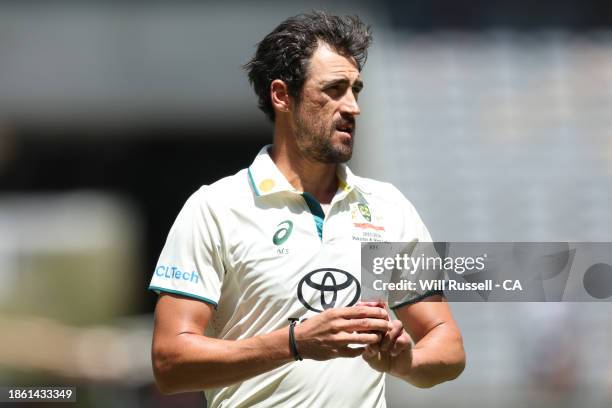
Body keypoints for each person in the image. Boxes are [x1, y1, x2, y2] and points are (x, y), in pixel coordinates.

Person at [149, 11, 465, 407]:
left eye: (356, 90)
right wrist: (297, 342)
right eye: (334, 89)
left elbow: (449, 347)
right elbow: (169, 363)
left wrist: (405, 362)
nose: (353, 107)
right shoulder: (215, 208)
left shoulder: (389, 208)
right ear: (282, 95)